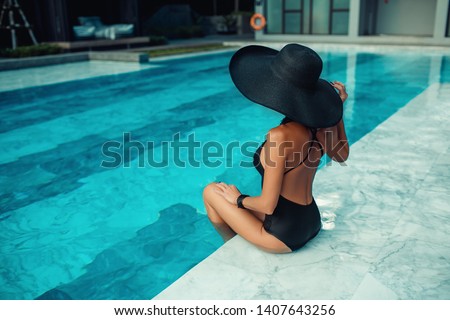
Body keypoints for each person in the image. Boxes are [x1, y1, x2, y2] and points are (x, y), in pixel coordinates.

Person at [203, 43, 349, 253]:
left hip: (283, 235)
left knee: (211, 192)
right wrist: (336, 111)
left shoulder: (279, 136)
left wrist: (238, 199)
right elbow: (341, 155)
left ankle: (231, 249)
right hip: (311, 220)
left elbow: (267, 205)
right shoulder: (321, 127)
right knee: (225, 196)